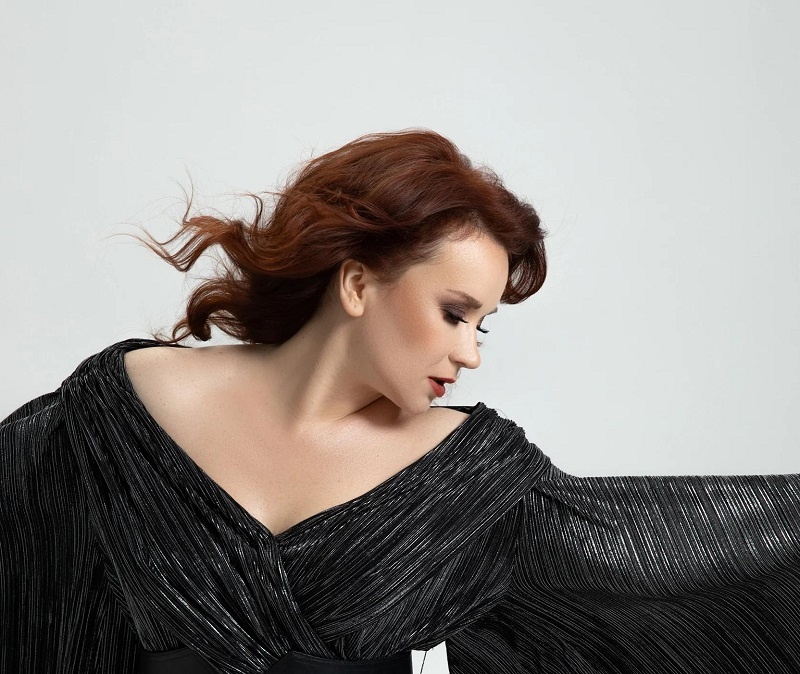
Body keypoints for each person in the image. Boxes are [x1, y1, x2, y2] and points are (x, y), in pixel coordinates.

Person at [1, 130, 798, 674]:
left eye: (484, 326)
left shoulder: (469, 478)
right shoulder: (103, 425)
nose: (471, 353)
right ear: (357, 283)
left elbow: (668, 556)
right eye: (454, 313)